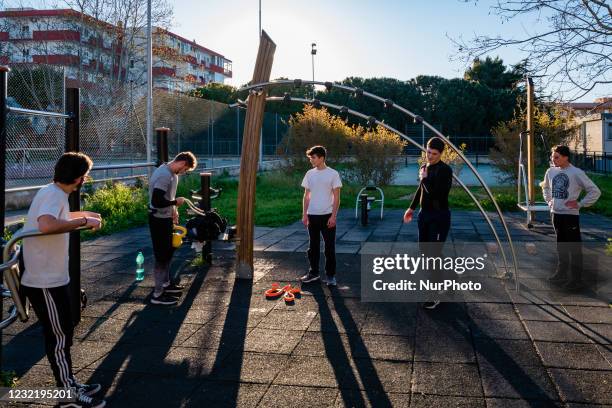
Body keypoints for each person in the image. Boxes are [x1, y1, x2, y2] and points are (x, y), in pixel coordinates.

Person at [21, 152, 106, 408]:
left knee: (64, 331)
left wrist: (87, 217)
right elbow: (47, 225)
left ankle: (69, 382)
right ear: (79, 177)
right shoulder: (53, 194)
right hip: (43, 280)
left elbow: (56, 218)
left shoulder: (54, 192)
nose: (85, 179)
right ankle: (67, 393)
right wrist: (83, 220)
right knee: (59, 337)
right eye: (85, 175)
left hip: (53, 277)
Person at [541, 145, 600, 291]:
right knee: (561, 245)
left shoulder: (576, 173)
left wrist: (580, 203)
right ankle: (561, 273)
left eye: (556, 157)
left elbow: (595, 191)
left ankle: (576, 279)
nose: (553, 160)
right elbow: (545, 187)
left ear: (566, 157)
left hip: (570, 215)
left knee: (574, 247)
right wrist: (549, 201)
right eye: (552, 157)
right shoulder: (550, 171)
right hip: (556, 213)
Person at [403, 137, 453, 309]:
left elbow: (437, 194)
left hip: (439, 217)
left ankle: (435, 293)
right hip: (424, 215)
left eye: (434, 153)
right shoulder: (424, 167)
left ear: (440, 154)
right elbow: (421, 190)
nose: (430, 156)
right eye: (428, 152)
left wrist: (424, 179)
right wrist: (411, 208)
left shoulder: (445, 170)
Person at [148, 151, 197, 305]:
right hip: (158, 219)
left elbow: (166, 198)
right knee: (162, 256)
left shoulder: (171, 174)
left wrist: (173, 210)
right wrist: (175, 203)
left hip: (165, 218)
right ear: (182, 164)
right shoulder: (164, 175)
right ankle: (157, 295)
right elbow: (157, 201)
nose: (184, 173)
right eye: (186, 170)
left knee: (168, 252)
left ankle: (165, 285)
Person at [300, 145, 342, 286]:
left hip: (327, 215)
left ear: (322, 158)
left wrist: (334, 216)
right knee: (313, 247)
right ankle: (314, 273)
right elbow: (306, 196)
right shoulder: (309, 174)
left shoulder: (333, 174)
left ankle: (330, 276)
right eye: (310, 157)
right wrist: (304, 214)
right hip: (312, 215)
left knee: (329, 248)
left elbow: (337, 198)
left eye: (313, 157)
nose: (311, 160)